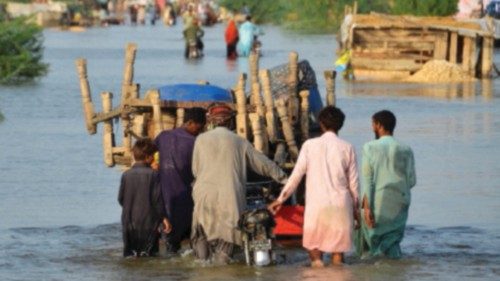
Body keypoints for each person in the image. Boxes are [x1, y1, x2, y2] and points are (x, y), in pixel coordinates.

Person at [190, 103, 287, 264]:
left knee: (202, 235)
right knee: (227, 239)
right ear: (230, 122)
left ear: (212, 122)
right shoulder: (239, 141)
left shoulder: (200, 140)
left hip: (203, 195)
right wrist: (285, 179)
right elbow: (264, 164)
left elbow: (195, 170)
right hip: (230, 196)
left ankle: (202, 265)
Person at [268, 106, 359, 267]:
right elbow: (354, 185)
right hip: (340, 205)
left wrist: (280, 199)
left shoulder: (309, 145)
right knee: (338, 258)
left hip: (317, 205)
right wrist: (356, 210)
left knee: (315, 253)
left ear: (321, 123)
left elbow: (296, 176)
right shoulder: (348, 147)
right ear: (340, 125)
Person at [355, 110, 416, 259]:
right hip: (400, 202)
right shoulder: (406, 149)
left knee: (372, 243)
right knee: (393, 241)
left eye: (373, 124)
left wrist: (367, 208)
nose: (372, 128)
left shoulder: (369, 147)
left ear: (379, 126)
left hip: (378, 201)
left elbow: (368, 180)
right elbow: (412, 181)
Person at [154, 108, 207, 253]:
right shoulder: (195, 143)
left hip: (164, 196)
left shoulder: (163, 136)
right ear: (190, 123)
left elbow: (151, 152)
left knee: (170, 238)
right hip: (184, 196)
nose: (200, 130)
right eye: (199, 127)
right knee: (189, 238)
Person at [118, 138, 171, 257]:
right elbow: (157, 200)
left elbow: (121, 199)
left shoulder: (126, 175)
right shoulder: (154, 174)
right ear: (148, 157)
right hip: (148, 222)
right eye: (153, 155)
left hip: (128, 222)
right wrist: (164, 218)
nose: (154, 158)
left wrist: (131, 207)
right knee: (149, 254)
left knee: (130, 255)